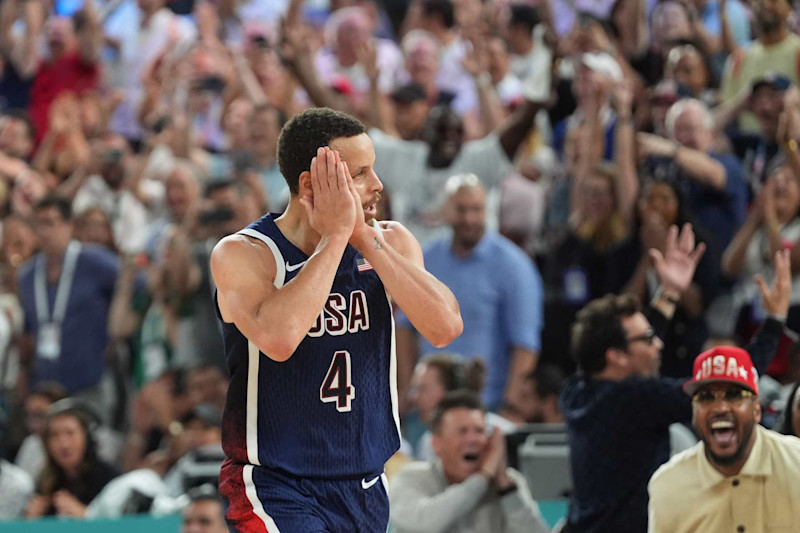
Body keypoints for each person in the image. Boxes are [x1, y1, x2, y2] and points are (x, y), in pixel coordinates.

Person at [211, 107, 463, 532]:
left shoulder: (390, 240)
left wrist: (362, 237)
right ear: (312, 184)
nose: (378, 185)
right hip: (275, 482)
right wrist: (333, 238)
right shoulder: (245, 254)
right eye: (361, 173)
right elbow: (279, 337)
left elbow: (445, 328)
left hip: (364, 481)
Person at [560, 226, 789, 533]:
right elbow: (729, 382)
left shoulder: (576, 391)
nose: (659, 344)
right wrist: (773, 323)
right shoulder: (633, 399)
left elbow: (627, 340)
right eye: (648, 340)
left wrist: (667, 295)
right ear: (615, 356)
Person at [396, 174, 542, 412]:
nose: (469, 218)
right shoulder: (425, 257)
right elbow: (403, 326)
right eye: (461, 209)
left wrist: (510, 405)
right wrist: (407, 389)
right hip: (427, 408)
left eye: (476, 209)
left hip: (486, 405)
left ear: (488, 210)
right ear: (446, 210)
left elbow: (525, 343)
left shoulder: (514, 265)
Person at [647, 346, 800, 532]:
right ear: (693, 411)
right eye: (706, 397)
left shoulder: (796, 462)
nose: (720, 408)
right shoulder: (668, 486)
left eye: (734, 395)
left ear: (757, 410)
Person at [388, 390, 550, 533]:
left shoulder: (508, 484)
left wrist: (506, 489)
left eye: (480, 430)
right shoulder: (410, 478)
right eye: (462, 431)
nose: (473, 439)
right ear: (436, 443)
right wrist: (481, 478)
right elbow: (425, 525)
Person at [25, 403, 120, 518]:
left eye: (70, 433)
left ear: (86, 437)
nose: (63, 444)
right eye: (55, 435)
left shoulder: (110, 478)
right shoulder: (46, 481)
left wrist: (86, 515)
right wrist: (31, 520)